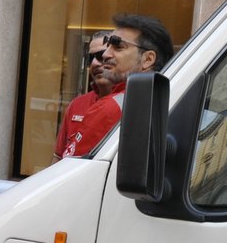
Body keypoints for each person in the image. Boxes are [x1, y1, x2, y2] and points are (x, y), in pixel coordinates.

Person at [60, 13, 176, 159]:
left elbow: (70, 171)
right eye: (108, 46)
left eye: (118, 47)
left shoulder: (108, 108)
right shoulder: (174, 102)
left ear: (148, 59)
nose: (105, 55)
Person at [54, 34, 114, 159]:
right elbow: (58, 156)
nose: (95, 63)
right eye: (90, 58)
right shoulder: (77, 104)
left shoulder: (130, 103)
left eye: (101, 56)